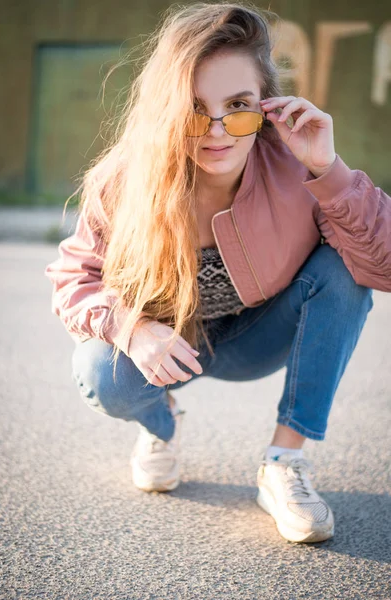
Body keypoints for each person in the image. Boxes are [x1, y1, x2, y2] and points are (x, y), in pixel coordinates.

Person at [44, 2, 391, 544]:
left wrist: (328, 170)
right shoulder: (123, 180)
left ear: (266, 104)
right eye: (194, 108)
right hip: (169, 345)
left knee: (344, 273)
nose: (218, 130)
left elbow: (382, 266)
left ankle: (284, 464)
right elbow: (73, 278)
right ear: (167, 109)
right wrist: (132, 328)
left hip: (258, 338)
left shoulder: (298, 164)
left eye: (239, 106)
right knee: (99, 370)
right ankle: (164, 425)